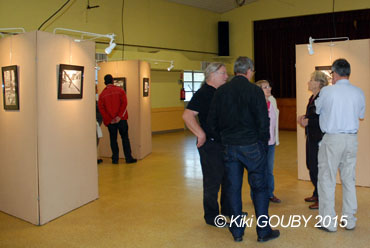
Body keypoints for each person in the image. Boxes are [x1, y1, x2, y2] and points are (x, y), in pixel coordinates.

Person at [208, 57, 280, 242]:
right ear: (249, 70)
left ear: (235, 71)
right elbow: (264, 122)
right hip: (252, 146)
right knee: (260, 188)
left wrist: (223, 139)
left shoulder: (222, 91)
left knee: (233, 188)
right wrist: (262, 145)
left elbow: (212, 122)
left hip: (230, 147)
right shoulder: (255, 91)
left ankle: (237, 231)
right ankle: (263, 231)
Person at [315, 58, 365, 232]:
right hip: (351, 139)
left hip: (332, 139)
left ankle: (328, 222)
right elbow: (361, 114)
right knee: (349, 180)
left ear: (334, 74)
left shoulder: (328, 91)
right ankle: (349, 220)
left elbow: (318, 109)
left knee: (327, 180)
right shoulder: (359, 92)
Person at [182, 62, 230, 227]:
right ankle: (211, 216)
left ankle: (227, 210)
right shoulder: (203, 93)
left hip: (223, 143)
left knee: (227, 178)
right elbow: (187, 115)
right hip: (210, 146)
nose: (226, 76)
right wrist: (200, 133)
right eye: (223, 73)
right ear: (213, 74)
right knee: (213, 181)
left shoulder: (220, 92)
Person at [297, 71, 328, 209]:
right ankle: (316, 192)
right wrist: (304, 117)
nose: (308, 82)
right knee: (311, 164)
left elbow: (324, 118)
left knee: (317, 167)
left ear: (318, 83)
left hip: (319, 137)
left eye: (311, 80)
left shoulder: (323, 97)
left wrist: (309, 121)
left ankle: (321, 198)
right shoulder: (312, 97)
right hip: (311, 136)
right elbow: (313, 115)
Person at [98, 74, 137, 164]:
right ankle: (128, 158)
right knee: (125, 138)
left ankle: (115, 159)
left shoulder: (102, 95)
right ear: (112, 81)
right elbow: (124, 104)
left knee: (113, 140)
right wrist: (119, 116)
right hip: (122, 119)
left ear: (104, 82)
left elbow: (102, 109)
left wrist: (109, 119)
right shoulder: (120, 91)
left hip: (111, 122)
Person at [255, 80, 281, 203]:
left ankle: (270, 193)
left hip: (271, 142)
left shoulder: (273, 101)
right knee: (258, 170)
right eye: (265, 87)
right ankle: (257, 195)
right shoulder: (255, 103)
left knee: (269, 170)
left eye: (269, 86)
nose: (269, 88)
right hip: (258, 143)